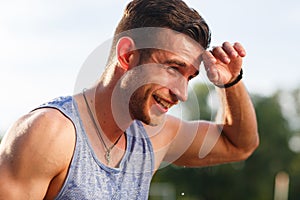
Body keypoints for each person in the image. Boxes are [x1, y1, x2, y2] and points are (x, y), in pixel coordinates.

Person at [0, 0, 259, 199]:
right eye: (172, 69)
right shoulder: (50, 133)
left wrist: (230, 82)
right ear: (127, 55)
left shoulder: (153, 137)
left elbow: (239, 145)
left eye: (189, 77)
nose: (182, 93)